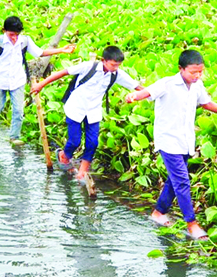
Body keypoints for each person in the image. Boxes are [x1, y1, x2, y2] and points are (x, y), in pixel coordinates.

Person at [125, 49, 217, 241]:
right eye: (193, 72)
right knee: (182, 181)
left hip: (186, 140)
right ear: (181, 69)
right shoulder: (167, 83)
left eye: (200, 72)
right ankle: (192, 224)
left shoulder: (197, 85)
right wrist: (133, 97)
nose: (197, 75)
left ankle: (158, 213)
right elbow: (147, 92)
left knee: (175, 180)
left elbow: (207, 103)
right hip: (168, 141)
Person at [30, 46, 143, 181]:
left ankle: (82, 172)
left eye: (118, 65)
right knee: (74, 141)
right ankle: (63, 155)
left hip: (93, 111)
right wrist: (40, 85)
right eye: (113, 65)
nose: (115, 68)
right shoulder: (88, 67)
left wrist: (149, 95)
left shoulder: (118, 74)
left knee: (92, 143)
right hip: (75, 108)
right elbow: (63, 72)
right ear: (103, 61)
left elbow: (138, 87)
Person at [0, 16, 75, 145]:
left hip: (18, 80)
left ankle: (14, 137)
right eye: (11, 34)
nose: (14, 38)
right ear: (4, 31)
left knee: (18, 110)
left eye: (17, 34)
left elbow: (40, 53)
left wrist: (61, 50)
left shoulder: (25, 41)